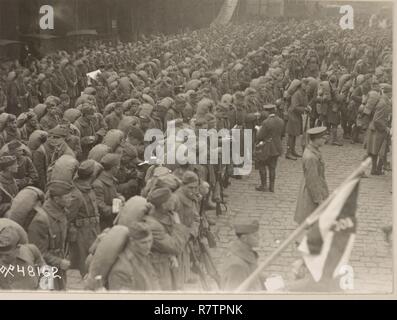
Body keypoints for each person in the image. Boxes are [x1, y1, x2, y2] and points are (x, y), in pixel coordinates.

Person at [27, 180, 74, 290]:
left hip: (58, 266)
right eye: (67, 197)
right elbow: (38, 252)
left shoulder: (62, 211)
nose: (71, 199)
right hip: (45, 268)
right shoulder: (41, 220)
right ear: (57, 199)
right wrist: (59, 262)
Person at [144, 187, 190, 290]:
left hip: (168, 262)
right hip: (159, 268)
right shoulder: (154, 225)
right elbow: (175, 246)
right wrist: (178, 225)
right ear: (164, 205)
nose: (174, 199)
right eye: (171, 199)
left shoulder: (167, 213)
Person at [68, 160, 102, 278]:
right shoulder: (76, 194)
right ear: (92, 175)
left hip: (93, 231)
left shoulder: (88, 188)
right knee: (85, 266)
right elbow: (68, 217)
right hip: (82, 234)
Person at [107, 222, 161, 291]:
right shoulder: (121, 268)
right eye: (143, 242)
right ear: (132, 241)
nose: (148, 246)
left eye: (150, 241)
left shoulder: (145, 256)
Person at [294, 127, 329, 224]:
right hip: (311, 195)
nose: (324, 140)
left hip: (314, 189)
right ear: (316, 139)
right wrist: (319, 200)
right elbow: (312, 181)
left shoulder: (314, 150)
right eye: (323, 138)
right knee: (310, 222)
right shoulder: (311, 157)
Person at [220, 220, 264, 291]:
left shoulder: (247, 252)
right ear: (244, 238)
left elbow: (252, 273)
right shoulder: (237, 266)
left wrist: (266, 279)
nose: (259, 237)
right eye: (255, 235)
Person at [0, 225, 45, 290]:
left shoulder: (31, 251)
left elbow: (46, 272)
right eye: (0, 255)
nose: (3, 258)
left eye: (7, 255)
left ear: (17, 248)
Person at [255, 104, 284, 192]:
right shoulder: (281, 121)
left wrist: (258, 129)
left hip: (267, 147)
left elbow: (259, 136)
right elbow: (282, 134)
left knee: (262, 165)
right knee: (272, 167)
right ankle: (272, 187)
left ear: (267, 112)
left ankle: (264, 185)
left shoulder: (266, 122)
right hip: (277, 147)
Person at [93, 153, 125, 231]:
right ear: (113, 168)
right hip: (102, 225)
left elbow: (111, 193)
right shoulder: (98, 184)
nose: (119, 168)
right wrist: (118, 208)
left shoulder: (110, 179)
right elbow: (101, 208)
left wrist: (118, 196)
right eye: (118, 166)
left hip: (110, 221)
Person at [366, 84, 392, 175]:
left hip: (376, 129)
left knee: (375, 150)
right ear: (389, 93)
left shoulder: (383, 100)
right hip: (379, 130)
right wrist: (386, 128)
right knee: (378, 150)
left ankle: (375, 169)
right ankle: (375, 169)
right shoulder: (383, 103)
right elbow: (377, 119)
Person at [285, 78, 311, 160]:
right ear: (301, 85)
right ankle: (288, 153)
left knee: (295, 134)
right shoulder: (297, 94)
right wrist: (305, 109)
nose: (306, 86)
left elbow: (305, 104)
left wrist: (308, 107)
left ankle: (293, 151)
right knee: (291, 135)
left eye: (307, 85)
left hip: (298, 116)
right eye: (305, 84)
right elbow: (294, 107)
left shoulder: (304, 93)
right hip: (292, 115)